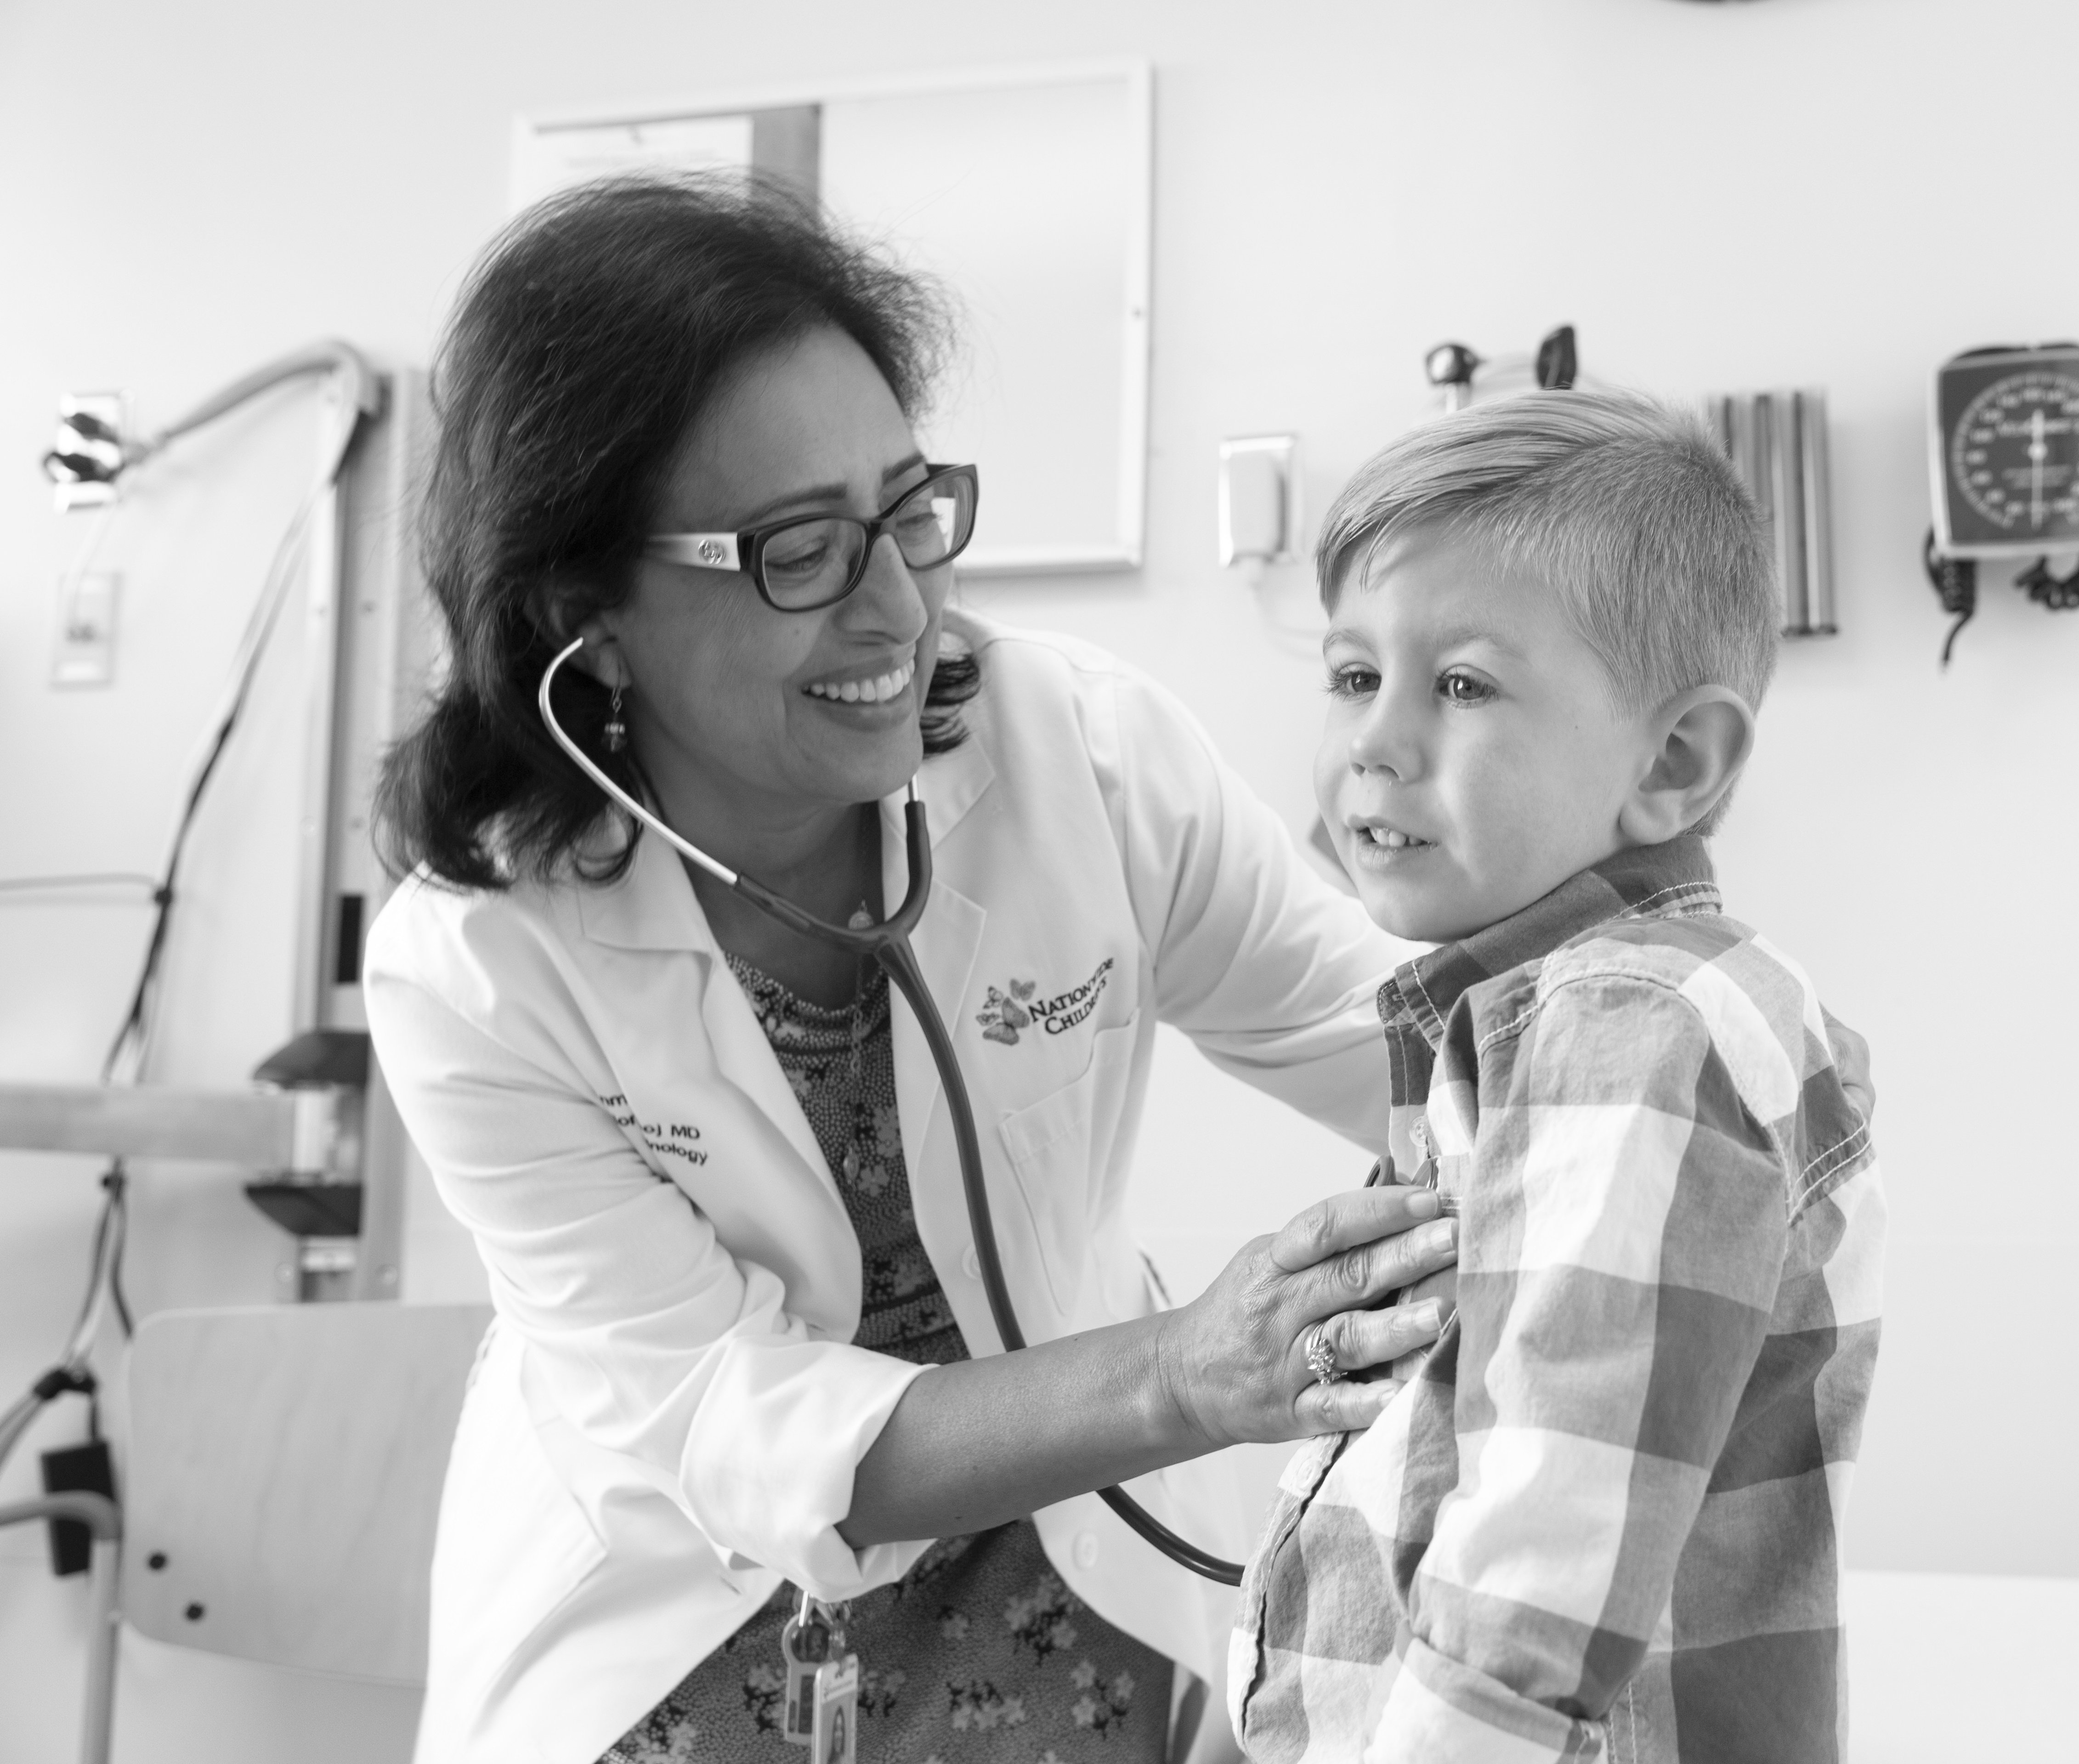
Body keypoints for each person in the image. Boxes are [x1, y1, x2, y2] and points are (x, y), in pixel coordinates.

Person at [363, 175, 1467, 1764]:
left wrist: (1649, 1022)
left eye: (907, 512)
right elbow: (728, 1417)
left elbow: (1399, 1040)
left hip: (1081, 1581)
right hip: (688, 1615)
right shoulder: (475, 968)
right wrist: (1184, 1375)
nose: (900, 609)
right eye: (802, 550)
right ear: (585, 613)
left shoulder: (1078, 754)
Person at [1230, 392, 1887, 1762]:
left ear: (1673, 763)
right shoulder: (1554, 1023)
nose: (1377, 741)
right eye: (1353, 677)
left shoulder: (1631, 1027)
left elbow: (1548, 1546)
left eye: (1462, 686)